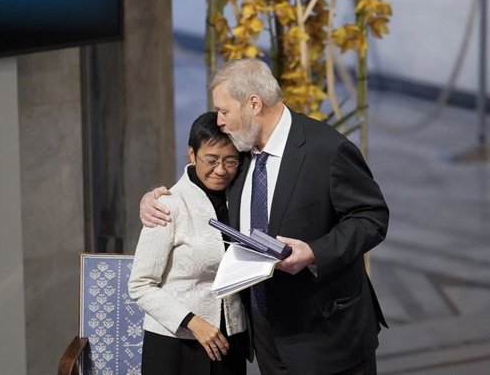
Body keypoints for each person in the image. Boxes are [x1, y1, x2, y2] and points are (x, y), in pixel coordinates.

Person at [139, 58, 389, 375]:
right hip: (266, 338)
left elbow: (371, 217)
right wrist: (154, 198)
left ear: (254, 104)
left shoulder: (326, 149)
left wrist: (314, 252)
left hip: (328, 338)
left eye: (224, 111)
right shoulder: (240, 155)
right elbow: (203, 181)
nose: (220, 121)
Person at [129, 111, 249, 375]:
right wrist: (193, 322)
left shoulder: (243, 199)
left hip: (230, 340)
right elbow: (140, 285)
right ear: (192, 154)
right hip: (176, 344)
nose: (221, 170)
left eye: (231, 161)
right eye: (211, 159)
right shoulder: (167, 205)